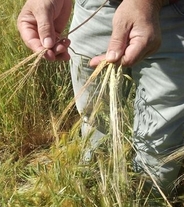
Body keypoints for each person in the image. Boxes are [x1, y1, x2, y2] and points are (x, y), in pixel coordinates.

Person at [17, 0, 184, 202]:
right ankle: (95, 186)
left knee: (160, 143)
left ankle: (149, 198)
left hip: (174, 15)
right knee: (94, 120)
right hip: (95, 8)